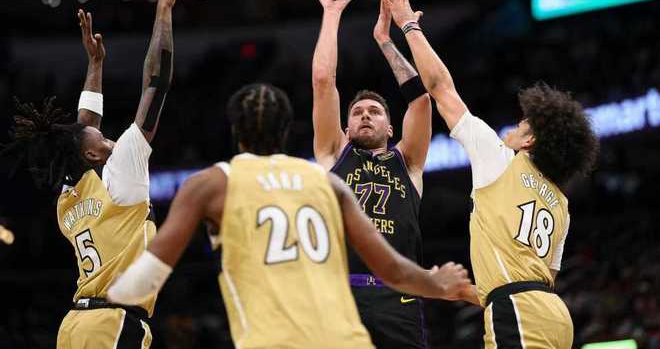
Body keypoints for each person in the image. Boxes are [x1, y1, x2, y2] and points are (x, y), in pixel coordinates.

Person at [107, 83, 470, 349]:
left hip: (273, 338)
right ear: (286, 132)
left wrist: (107, 292)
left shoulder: (212, 184)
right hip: (345, 336)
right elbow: (392, 269)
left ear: (234, 132)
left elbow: (140, 285)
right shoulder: (326, 183)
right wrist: (436, 283)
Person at [380, 0, 600, 348]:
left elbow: (440, 87)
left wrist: (408, 25)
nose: (515, 125)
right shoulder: (560, 204)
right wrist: (465, 292)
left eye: (523, 124)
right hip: (552, 315)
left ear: (530, 142)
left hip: (518, 310)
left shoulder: (500, 159)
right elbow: (535, 276)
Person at [2, 0, 187, 348]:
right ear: (92, 156)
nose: (108, 139)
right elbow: (156, 82)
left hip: (74, 326)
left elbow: (83, 126)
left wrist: (96, 64)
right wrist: (164, 10)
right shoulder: (121, 174)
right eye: (102, 140)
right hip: (113, 324)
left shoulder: (69, 199)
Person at [309, 0, 433, 348]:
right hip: (342, 294)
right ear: (345, 128)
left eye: (375, 112)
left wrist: (384, 39)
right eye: (357, 112)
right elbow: (323, 81)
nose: (365, 115)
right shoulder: (334, 153)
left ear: (391, 128)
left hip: (400, 296)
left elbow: (421, 101)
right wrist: (332, 13)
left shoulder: (408, 162)